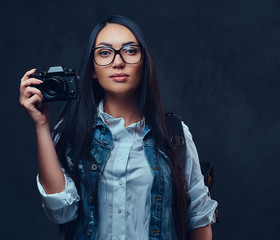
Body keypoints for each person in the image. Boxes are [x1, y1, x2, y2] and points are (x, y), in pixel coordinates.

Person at [19, 15, 217, 240]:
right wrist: (42, 126)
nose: (117, 61)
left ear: (145, 63)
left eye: (130, 50)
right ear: (92, 69)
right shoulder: (71, 132)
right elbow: (61, 212)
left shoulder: (174, 135)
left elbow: (199, 219)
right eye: (104, 52)